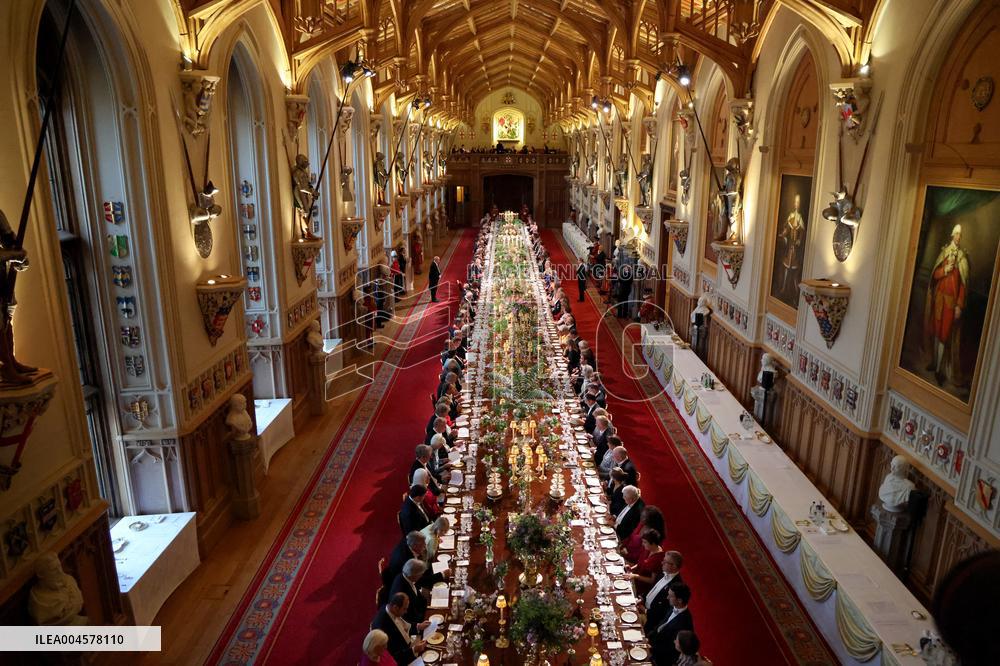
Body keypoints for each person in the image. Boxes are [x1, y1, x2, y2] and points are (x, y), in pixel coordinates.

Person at [925, 223, 969, 386]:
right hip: (939, 300)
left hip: (951, 304)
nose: (958, 238)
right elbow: (935, 275)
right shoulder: (944, 253)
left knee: (944, 334)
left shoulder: (962, 259)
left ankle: (940, 370)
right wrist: (945, 270)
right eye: (956, 235)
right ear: (952, 236)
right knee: (936, 331)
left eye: (960, 236)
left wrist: (959, 305)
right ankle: (934, 363)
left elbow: (963, 286)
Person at [371, 593, 429, 665]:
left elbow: (403, 626)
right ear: (395, 608)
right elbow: (394, 656)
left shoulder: (390, 608)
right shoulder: (383, 628)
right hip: (403, 657)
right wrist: (414, 649)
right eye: (404, 609)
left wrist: (418, 626)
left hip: (408, 644)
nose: (406, 612)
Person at [649, 583, 694, 666]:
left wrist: (651, 649)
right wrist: (648, 637)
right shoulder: (674, 606)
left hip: (660, 658)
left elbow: (672, 649)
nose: (667, 598)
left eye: (671, 596)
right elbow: (662, 624)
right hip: (653, 643)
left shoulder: (684, 624)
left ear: (679, 600)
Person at [641, 550, 684, 634]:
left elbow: (664, 609)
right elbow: (653, 588)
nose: (662, 563)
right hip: (643, 606)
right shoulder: (663, 572)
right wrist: (642, 597)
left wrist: (645, 611)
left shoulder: (676, 586)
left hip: (650, 619)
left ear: (674, 566)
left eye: (665, 562)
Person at [626, 528, 665, 597]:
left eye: (645, 542)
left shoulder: (658, 559)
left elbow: (652, 580)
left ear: (652, 543)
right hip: (635, 578)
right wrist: (631, 568)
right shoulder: (647, 548)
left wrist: (636, 576)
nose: (643, 544)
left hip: (642, 588)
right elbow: (640, 563)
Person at [389, 559, 429, 624]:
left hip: (419, 609)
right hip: (414, 620)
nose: (421, 576)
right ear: (412, 575)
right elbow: (408, 615)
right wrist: (424, 618)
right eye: (420, 574)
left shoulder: (403, 576)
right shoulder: (403, 591)